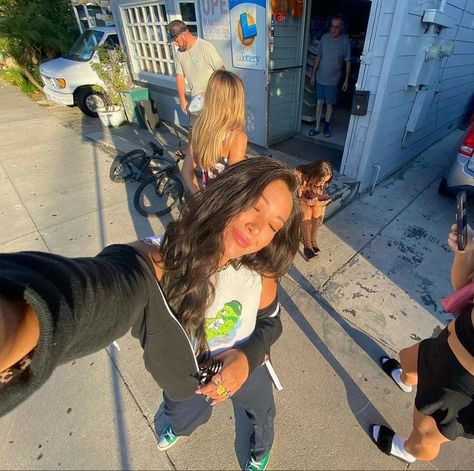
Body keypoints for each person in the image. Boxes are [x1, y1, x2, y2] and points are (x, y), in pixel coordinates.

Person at [0, 158, 301, 471]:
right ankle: (177, 425)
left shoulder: (259, 271)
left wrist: (247, 358)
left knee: (261, 414)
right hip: (189, 382)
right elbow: (96, 292)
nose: (256, 227)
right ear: (229, 192)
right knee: (183, 415)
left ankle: (260, 448)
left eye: (272, 225)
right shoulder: (163, 261)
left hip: (247, 369)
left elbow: (271, 322)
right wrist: (21, 316)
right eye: (255, 205)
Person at [371, 223, 474, 463]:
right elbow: (464, 289)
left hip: (459, 390)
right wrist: (465, 253)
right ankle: (405, 381)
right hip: (443, 347)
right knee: (407, 358)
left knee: (424, 434)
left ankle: (407, 451)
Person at [181, 70, 248, 194]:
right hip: (226, 207)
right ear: (236, 101)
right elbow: (233, 184)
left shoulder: (199, 129)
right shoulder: (237, 137)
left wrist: (199, 197)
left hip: (208, 200)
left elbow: (186, 171)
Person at [166, 20, 224, 156]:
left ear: (183, 35)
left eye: (176, 40)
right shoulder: (180, 53)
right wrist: (182, 99)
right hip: (196, 100)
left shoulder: (205, 47)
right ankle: (191, 154)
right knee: (193, 128)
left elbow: (221, 72)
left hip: (212, 98)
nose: (175, 44)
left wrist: (210, 93)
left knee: (213, 131)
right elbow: (180, 77)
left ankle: (217, 157)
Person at [309, 15, 351, 138]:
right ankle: (316, 127)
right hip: (321, 77)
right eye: (332, 26)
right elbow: (318, 57)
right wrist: (313, 75)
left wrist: (347, 80)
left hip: (333, 81)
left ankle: (327, 127)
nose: (334, 30)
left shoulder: (345, 41)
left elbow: (348, 61)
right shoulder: (324, 38)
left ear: (341, 28)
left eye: (337, 27)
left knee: (329, 105)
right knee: (319, 103)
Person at [295, 160, 333, 260]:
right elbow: (295, 195)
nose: (323, 184)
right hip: (297, 198)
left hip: (309, 198)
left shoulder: (322, 182)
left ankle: (312, 240)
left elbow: (318, 193)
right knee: (307, 212)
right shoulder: (299, 174)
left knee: (318, 209)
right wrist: (307, 200)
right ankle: (307, 246)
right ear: (315, 173)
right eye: (321, 180)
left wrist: (321, 199)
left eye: (326, 181)